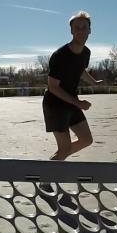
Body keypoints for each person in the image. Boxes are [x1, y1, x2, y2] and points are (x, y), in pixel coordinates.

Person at [43, 10, 102, 160]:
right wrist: (78, 103)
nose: (81, 31)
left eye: (84, 27)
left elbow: (80, 70)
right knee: (64, 149)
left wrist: (93, 82)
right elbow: (53, 87)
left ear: (90, 30)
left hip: (71, 101)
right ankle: (46, 178)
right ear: (71, 30)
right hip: (55, 104)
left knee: (86, 140)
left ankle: (52, 164)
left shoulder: (86, 53)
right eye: (77, 27)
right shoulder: (60, 55)